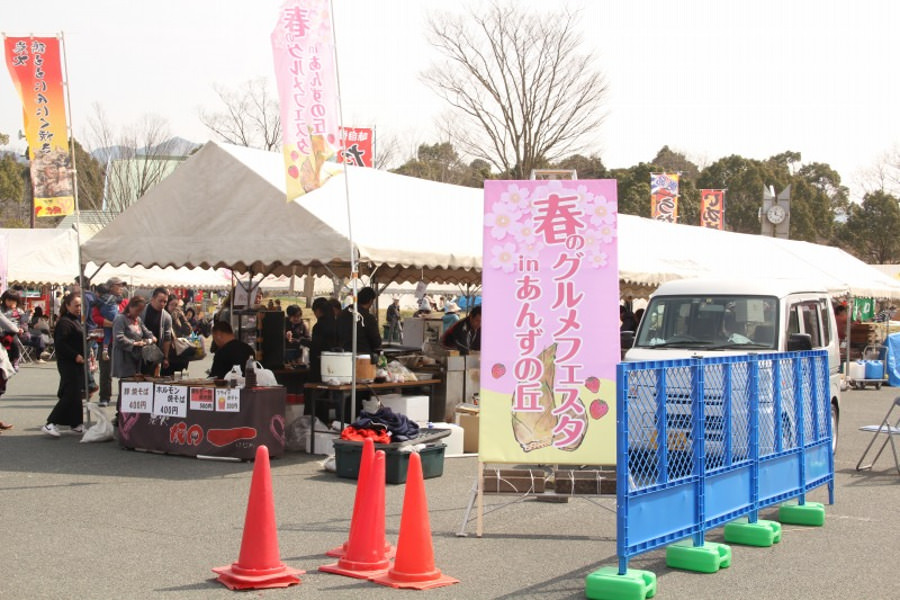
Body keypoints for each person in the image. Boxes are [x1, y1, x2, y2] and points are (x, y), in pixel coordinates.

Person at [42, 293, 94, 437]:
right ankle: (50, 423)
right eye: (76, 305)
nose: (79, 308)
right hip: (68, 362)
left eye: (80, 306)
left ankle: (76, 424)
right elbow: (60, 344)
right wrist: (75, 355)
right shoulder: (64, 322)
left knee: (76, 393)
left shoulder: (75, 320)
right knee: (71, 393)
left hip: (77, 362)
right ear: (67, 305)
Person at [93, 277, 128, 407]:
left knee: (124, 371)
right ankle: (104, 397)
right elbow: (95, 317)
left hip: (122, 340)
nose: (121, 288)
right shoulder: (102, 300)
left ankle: (124, 397)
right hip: (106, 341)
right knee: (105, 371)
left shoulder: (124, 302)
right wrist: (112, 323)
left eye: (122, 286)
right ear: (111, 287)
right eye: (119, 285)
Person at [111, 296, 156, 381]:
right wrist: (134, 343)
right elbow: (118, 338)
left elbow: (146, 331)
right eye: (137, 310)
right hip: (124, 358)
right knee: (126, 383)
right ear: (130, 307)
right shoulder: (120, 319)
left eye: (141, 311)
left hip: (136, 358)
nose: (139, 313)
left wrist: (152, 337)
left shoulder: (138, 319)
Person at [337, 286, 383, 359]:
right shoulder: (368, 318)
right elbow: (376, 342)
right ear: (371, 301)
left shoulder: (343, 313)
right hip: (363, 357)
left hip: (342, 356)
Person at [141, 288, 174, 376]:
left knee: (153, 380)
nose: (162, 304)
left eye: (165, 302)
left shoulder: (167, 317)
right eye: (160, 301)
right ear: (152, 299)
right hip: (138, 352)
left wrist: (165, 357)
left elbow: (167, 338)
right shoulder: (141, 311)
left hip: (155, 355)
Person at [309, 297, 339, 383]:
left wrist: (303, 342)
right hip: (336, 363)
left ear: (318, 311)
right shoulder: (336, 323)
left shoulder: (318, 326)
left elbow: (316, 345)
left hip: (320, 365)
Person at [165, 293, 192, 375]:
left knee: (180, 375)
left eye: (176, 305)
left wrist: (182, 317)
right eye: (172, 304)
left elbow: (188, 330)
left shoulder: (179, 315)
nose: (174, 307)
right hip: (169, 353)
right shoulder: (164, 316)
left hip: (181, 351)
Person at [0, 289, 28, 365]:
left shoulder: (18, 310)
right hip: (3, 331)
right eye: (9, 300)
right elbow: (4, 321)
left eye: (14, 301)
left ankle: (15, 359)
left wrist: (22, 328)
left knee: (14, 342)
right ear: (4, 300)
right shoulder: (1, 309)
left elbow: (24, 321)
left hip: (14, 332)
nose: (11, 303)